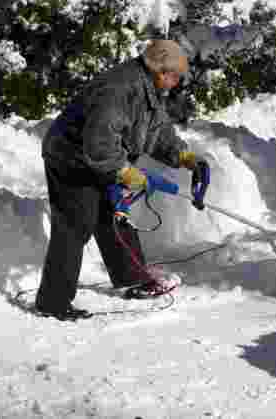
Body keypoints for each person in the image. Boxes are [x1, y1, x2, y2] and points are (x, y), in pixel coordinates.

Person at [34, 39, 201, 321]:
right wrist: (123, 171)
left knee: (113, 215)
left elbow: (156, 130)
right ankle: (53, 300)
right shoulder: (119, 89)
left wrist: (183, 156)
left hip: (100, 158)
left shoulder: (148, 89)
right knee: (75, 224)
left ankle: (133, 278)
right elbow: (98, 142)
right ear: (161, 71)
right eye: (175, 77)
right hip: (71, 156)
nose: (176, 83)